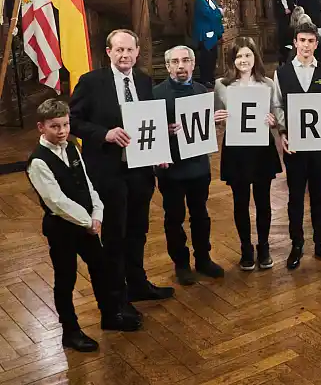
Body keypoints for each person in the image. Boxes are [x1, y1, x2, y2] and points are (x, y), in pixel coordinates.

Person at [70, 29, 174, 327]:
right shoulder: (91, 82)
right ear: (109, 52)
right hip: (108, 171)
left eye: (129, 50)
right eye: (119, 50)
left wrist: (160, 144)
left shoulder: (143, 80)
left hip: (140, 171)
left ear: (137, 52)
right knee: (115, 237)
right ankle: (115, 303)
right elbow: (73, 121)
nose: (125, 55)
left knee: (138, 230)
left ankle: (138, 284)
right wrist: (104, 133)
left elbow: (145, 123)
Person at [27, 99, 134, 352]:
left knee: (101, 269)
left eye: (65, 124)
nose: (62, 131)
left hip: (88, 224)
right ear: (41, 127)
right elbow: (56, 202)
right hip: (62, 229)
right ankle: (70, 331)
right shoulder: (38, 161)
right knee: (66, 280)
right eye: (55, 126)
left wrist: (98, 211)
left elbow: (87, 183)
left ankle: (110, 315)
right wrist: (89, 221)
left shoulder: (73, 147)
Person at [153, 46, 225, 285]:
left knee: (201, 215)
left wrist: (213, 121)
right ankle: (181, 264)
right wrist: (165, 130)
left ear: (193, 64)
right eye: (175, 62)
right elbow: (149, 132)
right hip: (171, 167)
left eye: (185, 60)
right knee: (174, 218)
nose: (180, 66)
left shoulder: (201, 90)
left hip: (198, 166)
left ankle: (203, 258)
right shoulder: (156, 94)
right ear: (168, 66)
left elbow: (206, 129)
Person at [275, 24, 321, 269]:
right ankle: (296, 245)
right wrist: (283, 132)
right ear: (295, 42)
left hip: (319, 146)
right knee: (295, 198)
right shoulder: (282, 73)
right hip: (294, 146)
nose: (306, 45)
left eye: (311, 41)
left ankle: (320, 243)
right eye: (302, 40)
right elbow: (278, 107)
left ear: (316, 44)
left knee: (318, 197)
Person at [214, 37, 283, 271]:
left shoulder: (268, 84)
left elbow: (276, 116)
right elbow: (215, 118)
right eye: (239, 56)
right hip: (236, 149)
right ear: (232, 60)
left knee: (263, 201)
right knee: (240, 202)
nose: (243, 60)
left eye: (248, 55)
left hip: (262, 148)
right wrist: (216, 119)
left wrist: (274, 121)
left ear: (255, 57)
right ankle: (246, 248)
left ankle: (264, 246)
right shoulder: (221, 85)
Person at [193, 0, 225, 86]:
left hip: (213, 35)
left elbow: (216, 13)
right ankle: (205, 79)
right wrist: (219, 12)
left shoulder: (210, 1)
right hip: (205, 35)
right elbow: (209, 14)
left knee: (213, 57)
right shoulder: (200, 2)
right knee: (206, 58)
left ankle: (211, 77)